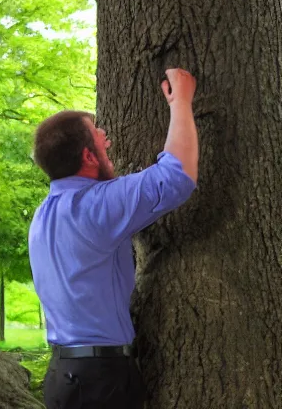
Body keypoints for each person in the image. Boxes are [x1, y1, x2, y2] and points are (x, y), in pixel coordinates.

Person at [28, 68, 198, 409]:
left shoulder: (44, 215)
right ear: (88, 157)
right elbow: (176, 177)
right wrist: (182, 102)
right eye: (97, 135)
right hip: (98, 383)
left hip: (64, 377)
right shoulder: (93, 207)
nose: (106, 137)